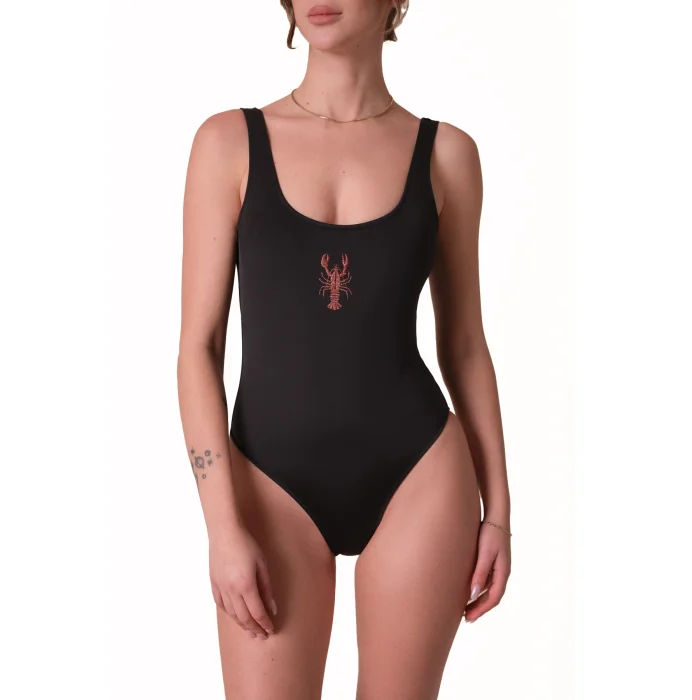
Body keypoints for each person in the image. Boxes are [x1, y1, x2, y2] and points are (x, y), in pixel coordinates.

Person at [176, 1, 512, 697]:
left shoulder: (447, 154)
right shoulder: (229, 143)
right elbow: (198, 349)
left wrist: (499, 515)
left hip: (419, 477)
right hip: (269, 485)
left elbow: (465, 345)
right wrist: (222, 527)